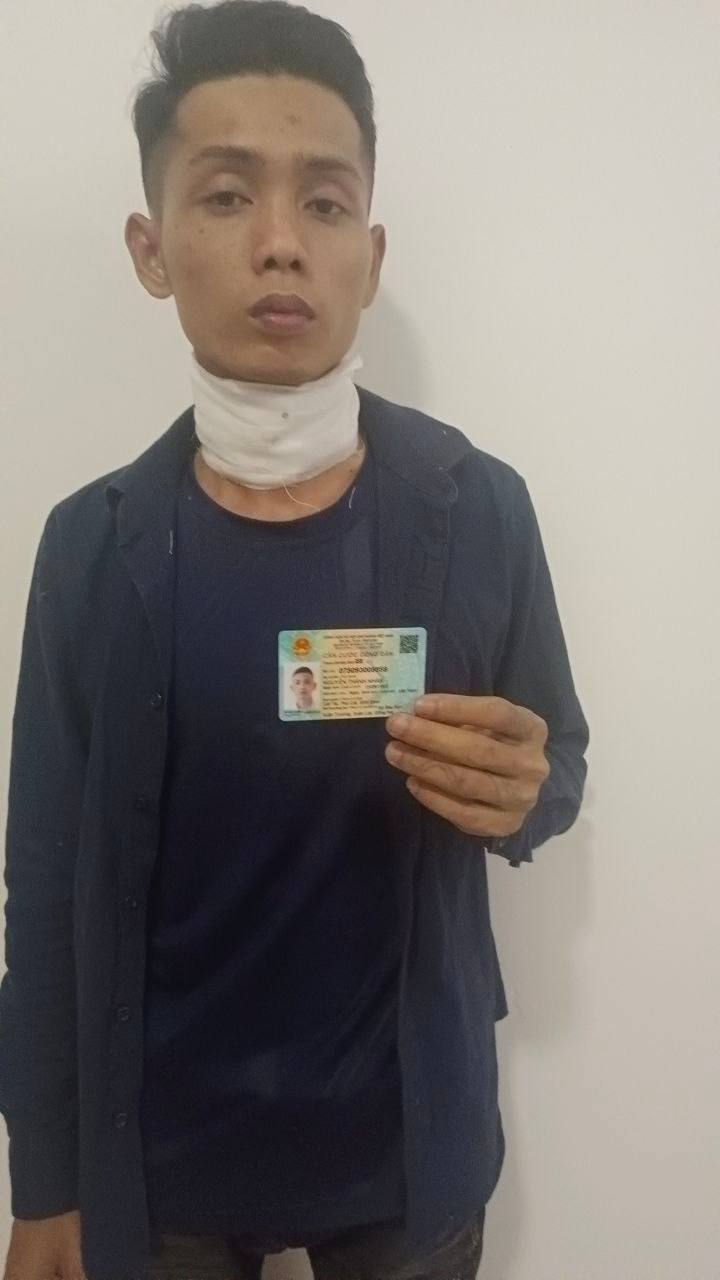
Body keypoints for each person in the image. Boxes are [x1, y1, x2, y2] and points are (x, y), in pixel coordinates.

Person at [0, 3, 590, 1279]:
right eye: (226, 196)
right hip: (163, 1160)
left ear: (368, 255)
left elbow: (559, 768)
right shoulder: (90, 548)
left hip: (405, 1156)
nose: (280, 242)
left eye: (324, 203)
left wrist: (526, 793)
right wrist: (43, 1173)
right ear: (152, 248)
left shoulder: (479, 508)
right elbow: (42, 879)